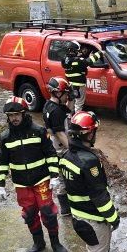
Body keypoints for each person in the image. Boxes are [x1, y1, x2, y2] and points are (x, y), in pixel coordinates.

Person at [59, 111, 122, 252]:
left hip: (79, 216)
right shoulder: (89, 161)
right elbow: (99, 195)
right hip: (93, 219)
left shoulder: (67, 156)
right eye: (93, 131)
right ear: (87, 134)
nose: (95, 134)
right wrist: (113, 217)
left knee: (98, 251)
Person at [0, 97, 67, 252]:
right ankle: (38, 242)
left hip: (41, 180)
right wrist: (0, 184)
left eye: (16, 114)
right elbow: (2, 162)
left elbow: (51, 154)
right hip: (21, 184)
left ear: (23, 113)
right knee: (29, 213)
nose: (14, 118)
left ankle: (55, 243)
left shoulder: (39, 131)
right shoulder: (5, 137)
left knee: (48, 211)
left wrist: (54, 176)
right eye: (10, 115)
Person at [43, 77, 73, 216]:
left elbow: (69, 111)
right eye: (65, 93)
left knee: (63, 177)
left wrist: (71, 98)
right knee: (64, 178)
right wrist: (72, 149)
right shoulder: (56, 111)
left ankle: (66, 207)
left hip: (55, 148)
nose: (67, 95)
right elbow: (60, 133)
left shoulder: (49, 106)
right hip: (61, 150)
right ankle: (66, 209)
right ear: (58, 93)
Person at [62, 41, 102, 112]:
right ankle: (77, 120)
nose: (79, 51)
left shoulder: (64, 59)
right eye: (77, 50)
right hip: (79, 85)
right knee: (79, 103)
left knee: (71, 101)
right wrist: (100, 53)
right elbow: (89, 61)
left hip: (70, 84)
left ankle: (68, 116)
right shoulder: (78, 61)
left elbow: (77, 61)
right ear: (73, 50)